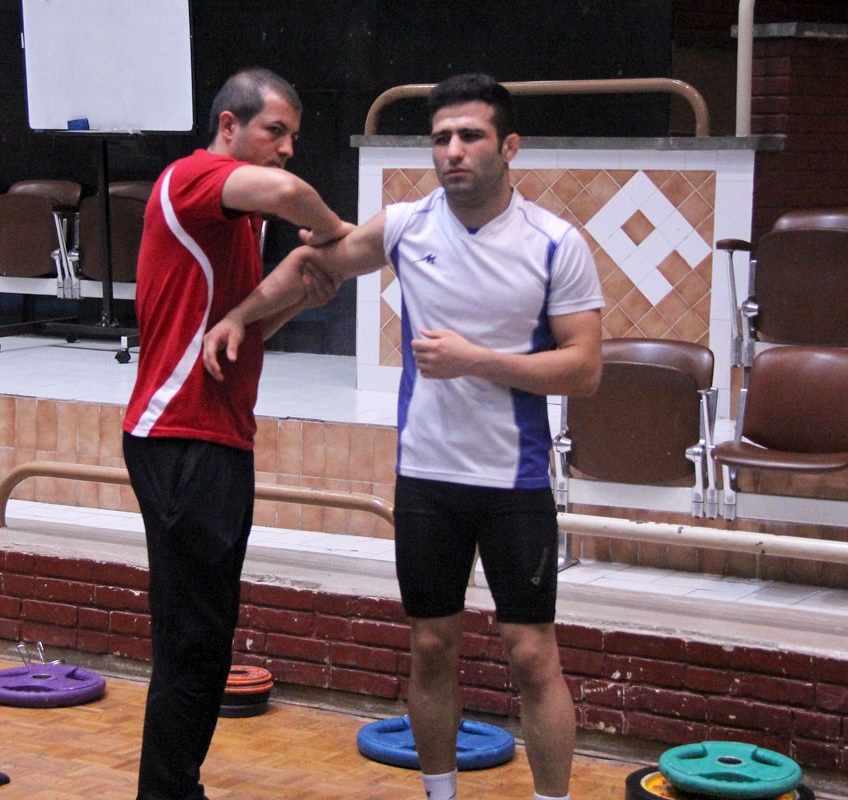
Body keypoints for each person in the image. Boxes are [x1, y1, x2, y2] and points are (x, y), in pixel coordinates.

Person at [202, 73, 604, 800]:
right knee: (431, 645)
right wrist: (240, 316)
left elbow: (585, 369)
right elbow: (315, 264)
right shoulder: (405, 225)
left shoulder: (555, 243)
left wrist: (478, 361)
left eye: (471, 136)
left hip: (514, 482)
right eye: (442, 138)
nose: (454, 151)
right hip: (426, 479)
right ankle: (439, 794)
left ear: (510, 146)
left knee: (531, 654)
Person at [122, 67, 351, 800]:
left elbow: (231, 338)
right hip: (181, 438)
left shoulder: (235, 224)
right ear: (229, 127)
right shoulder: (194, 177)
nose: (286, 148)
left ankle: (172, 788)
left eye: (294, 136)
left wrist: (291, 300)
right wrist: (336, 234)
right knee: (193, 645)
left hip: (215, 439)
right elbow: (290, 194)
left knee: (203, 642)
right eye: (274, 131)